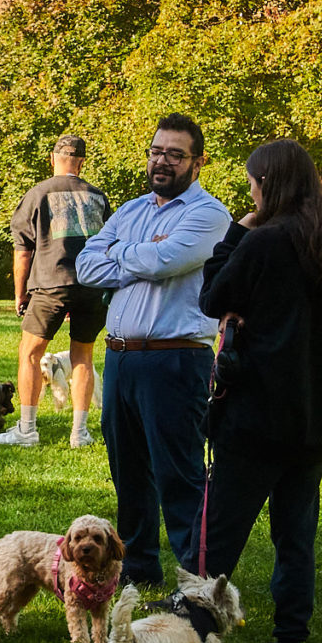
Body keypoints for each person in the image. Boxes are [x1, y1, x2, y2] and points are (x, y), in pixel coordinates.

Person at [195, 137, 322, 643]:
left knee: (218, 534)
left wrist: (236, 232)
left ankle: (189, 631)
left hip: (257, 417)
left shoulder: (264, 242)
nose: (249, 191)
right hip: (313, 420)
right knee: (295, 535)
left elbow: (213, 297)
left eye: (252, 183)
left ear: (268, 186)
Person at [74, 113, 233, 591]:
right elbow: (85, 264)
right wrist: (139, 252)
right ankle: (139, 569)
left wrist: (123, 254)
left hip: (176, 359)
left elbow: (166, 262)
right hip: (121, 357)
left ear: (198, 162)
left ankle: (197, 581)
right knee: (128, 472)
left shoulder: (209, 215)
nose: (162, 161)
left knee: (179, 474)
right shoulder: (131, 209)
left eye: (175, 154)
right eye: (156, 151)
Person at [0, 133, 109, 449]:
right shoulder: (97, 197)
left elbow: (22, 251)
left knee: (30, 353)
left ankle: (27, 430)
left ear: (52, 159)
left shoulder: (37, 194)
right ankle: (79, 433)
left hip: (50, 283)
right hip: (92, 285)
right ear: (82, 163)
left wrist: (20, 293)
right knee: (83, 355)